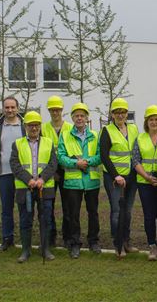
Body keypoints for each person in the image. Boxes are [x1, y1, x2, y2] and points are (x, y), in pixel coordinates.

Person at [10, 111, 58, 263]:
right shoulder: (17, 144)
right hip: (26, 189)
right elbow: (15, 165)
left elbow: (52, 164)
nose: (34, 128)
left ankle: (45, 249)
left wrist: (42, 179)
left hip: (45, 188)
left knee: (45, 220)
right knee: (25, 219)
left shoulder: (48, 142)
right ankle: (26, 250)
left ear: (40, 126)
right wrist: (28, 180)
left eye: (36, 125)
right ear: (25, 126)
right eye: (31, 125)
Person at [57, 103, 102, 259]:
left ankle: (93, 241)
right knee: (73, 215)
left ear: (87, 118)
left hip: (91, 181)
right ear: (72, 118)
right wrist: (76, 163)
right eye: (76, 116)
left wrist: (87, 162)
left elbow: (100, 155)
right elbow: (61, 157)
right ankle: (75, 243)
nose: (80, 118)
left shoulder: (96, 136)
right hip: (73, 182)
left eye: (82, 116)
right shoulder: (65, 135)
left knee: (93, 213)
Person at [100, 97, 140, 257]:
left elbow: (137, 151)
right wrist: (116, 175)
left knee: (128, 211)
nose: (120, 115)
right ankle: (118, 246)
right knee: (117, 211)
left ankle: (126, 241)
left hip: (131, 176)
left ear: (126, 113)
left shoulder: (134, 129)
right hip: (114, 178)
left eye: (123, 112)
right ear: (112, 114)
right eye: (117, 112)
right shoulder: (107, 131)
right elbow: (104, 156)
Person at [0, 96, 25, 252]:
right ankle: (7, 238)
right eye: (7, 107)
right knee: (6, 208)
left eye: (12, 107)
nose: (10, 110)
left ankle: (25, 238)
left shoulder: (25, 125)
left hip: (23, 174)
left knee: (24, 208)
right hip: (4, 173)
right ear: (3, 109)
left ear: (17, 108)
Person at [132, 105, 157, 261]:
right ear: (146, 122)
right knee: (149, 215)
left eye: (156, 119)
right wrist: (147, 177)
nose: (154, 122)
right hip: (144, 181)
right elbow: (135, 160)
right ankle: (152, 246)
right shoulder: (140, 138)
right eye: (151, 120)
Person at [41, 95, 72, 247]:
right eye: (52, 110)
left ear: (61, 110)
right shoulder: (43, 128)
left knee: (68, 206)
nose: (55, 113)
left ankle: (67, 237)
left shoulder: (70, 128)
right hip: (49, 172)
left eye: (57, 110)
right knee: (49, 205)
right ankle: (50, 237)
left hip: (67, 171)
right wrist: (52, 172)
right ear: (49, 111)